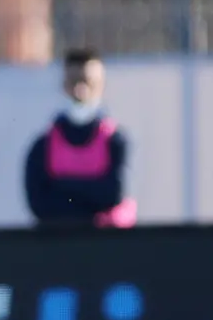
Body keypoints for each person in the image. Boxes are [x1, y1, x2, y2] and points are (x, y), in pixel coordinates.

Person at [24, 47, 135, 229]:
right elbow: (39, 204)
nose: (80, 91)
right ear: (64, 85)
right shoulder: (42, 146)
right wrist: (92, 193)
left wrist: (60, 186)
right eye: (74, 82)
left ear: (101, 86)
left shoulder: (116, 142)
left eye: (88, 82)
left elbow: (113, 195)